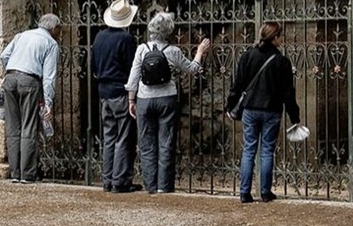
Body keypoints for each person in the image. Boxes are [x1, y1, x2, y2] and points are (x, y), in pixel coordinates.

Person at [127, 13, 212, 194]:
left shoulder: (142, 49)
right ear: (169, 31)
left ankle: (150, 184)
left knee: (147, 143)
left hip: (144, 99)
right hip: (167, 98)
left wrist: (131, 100)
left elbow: (133, 78)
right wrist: (199, 52)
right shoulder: (173, 51)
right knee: (166, 142)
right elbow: (192, 69)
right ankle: (163, 186)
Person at [222, 19, 301, 203]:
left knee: (249, 149)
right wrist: (294, 116)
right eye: (280, 36)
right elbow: (288, 92)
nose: (282, 39)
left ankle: (244, 192)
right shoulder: (282, 61)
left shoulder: (248, 56)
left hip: (250, 108)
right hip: (272, 110)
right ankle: (265, 192)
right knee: (267, 150)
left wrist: (230, 105)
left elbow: (238, 84)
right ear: (275, 38)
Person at [87, 0, 143, 192]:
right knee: (124, 137)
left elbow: (93, 66)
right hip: (120, 91)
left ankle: (107, 178)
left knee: (109, 136)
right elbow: (132, 69)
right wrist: (133, 96)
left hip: (104, 92)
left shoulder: (99, 37)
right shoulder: (126, 39)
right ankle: (120, 180)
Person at [0, 10, 60, 183]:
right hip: (30, 81)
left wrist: (12, 70)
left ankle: (15, 172)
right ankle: (27, 173)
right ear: (54, 28)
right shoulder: (50, 43)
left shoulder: (22, 35)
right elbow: (49, 77)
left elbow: (4, 56)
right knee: (29, 126)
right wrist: (48, 101)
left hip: (10, 78)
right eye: (59, 30)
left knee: (12, 126)